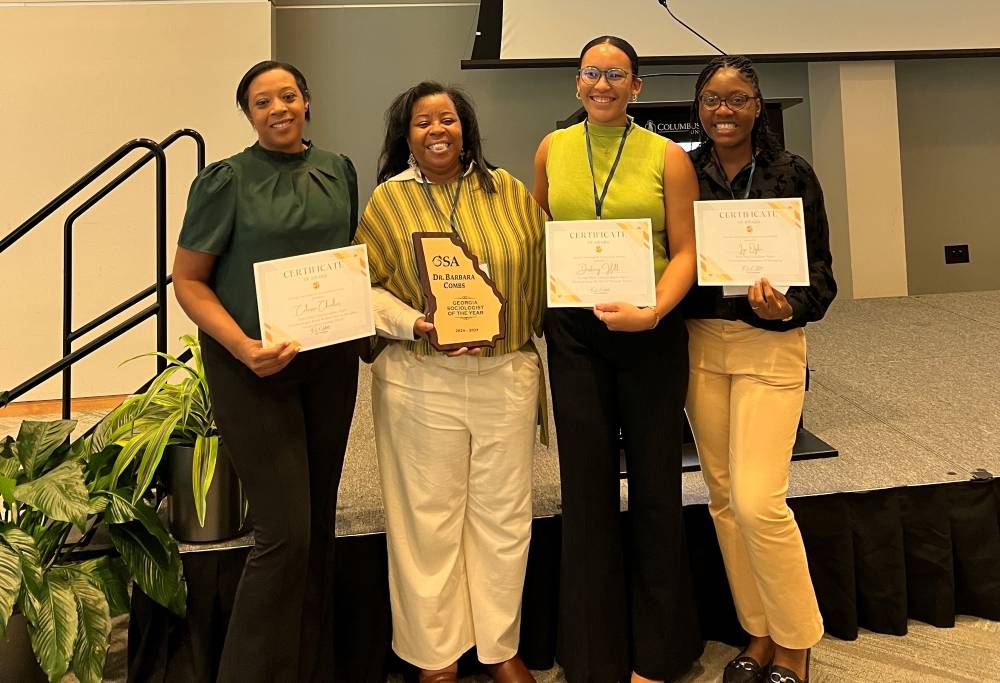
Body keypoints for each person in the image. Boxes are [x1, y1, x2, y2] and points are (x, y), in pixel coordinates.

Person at [172, 61, 360, 683]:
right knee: (284, 534)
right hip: (251, 370)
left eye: (287, 95)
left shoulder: (338, 169)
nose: (277, 108)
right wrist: (243, 346)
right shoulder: (225, 180)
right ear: (248, 115)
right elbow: (190, 283)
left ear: (306, 101)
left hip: (329, 365)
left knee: (318, 526)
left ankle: (307, 668)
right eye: (261, 102)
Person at [354, 81, 546, 683]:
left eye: (448, 119)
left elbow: (544, 265)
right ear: (405, 135)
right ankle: (436, 657)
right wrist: (414, 322)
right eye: (422, 122)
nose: (437, 130)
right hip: (421, 378)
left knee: (504, 518)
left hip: (506, 375)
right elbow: (363, 286)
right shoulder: (388, 202)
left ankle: (499, 647)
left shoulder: (509, 191)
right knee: (426, 521)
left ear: (466, 128)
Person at [532, 35, 702, 683]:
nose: (601, 84)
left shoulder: (668, 158)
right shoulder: (553, 148)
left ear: (636, 86)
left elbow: (686, 250)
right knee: (587, 489)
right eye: (591, 73)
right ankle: (594, 653)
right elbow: (541, 229)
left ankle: (658, 655)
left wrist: (654, 310)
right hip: (575, 335)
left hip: (651, 331)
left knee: (657, 488)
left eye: (616, 75)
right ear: (577, 83)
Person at [683, 55, 837, 683]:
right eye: (714, 99)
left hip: (770, 347)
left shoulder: (791, 172)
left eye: (738, 97)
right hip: (698, 344)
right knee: (722, 499)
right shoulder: (684, 170)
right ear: (699, 106)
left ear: (757, 105)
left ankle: (797, 642)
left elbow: (822, 277)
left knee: (758, 500)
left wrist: (787, 306)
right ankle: (760, 632)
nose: (725, 109)